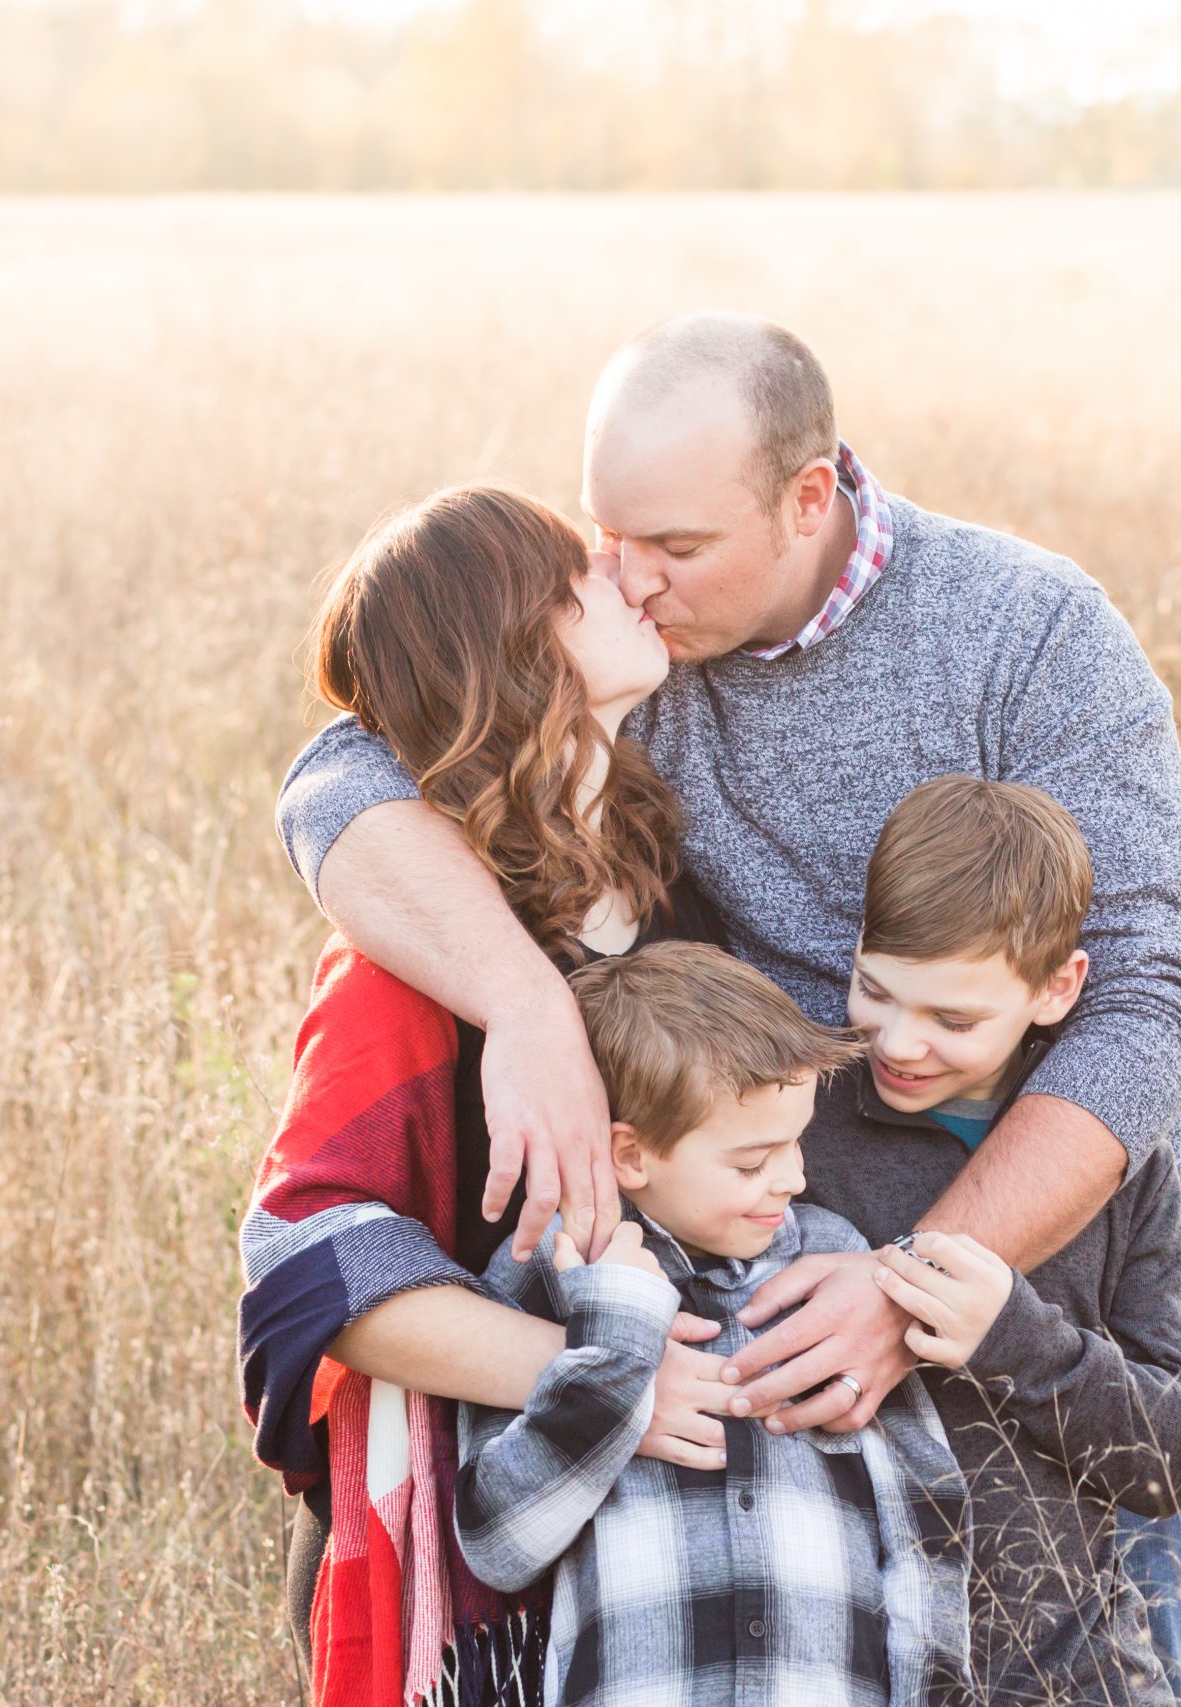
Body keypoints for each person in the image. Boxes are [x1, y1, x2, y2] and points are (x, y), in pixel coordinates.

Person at [274, 311, 1181, 1693]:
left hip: (1021, 1277)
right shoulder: (614, 671)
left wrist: (914, 1286)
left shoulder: (1028, 630)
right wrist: (527, 1003)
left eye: (675, 547)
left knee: (1098, 1650)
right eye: (610, 540)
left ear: (807, 498)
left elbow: (1150, 995)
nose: (631, 580)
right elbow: (341, 774)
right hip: (750, 1290)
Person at [238, 484, 728, 1706]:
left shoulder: (661, 896)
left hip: (649, 1554)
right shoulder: (412, 968)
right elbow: (305, 1272)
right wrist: (604, 1380)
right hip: (464, 1592)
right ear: (513, 650)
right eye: (578, 574)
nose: (621, 571)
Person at [455, 941, 972, 1707]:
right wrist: (619, 1341)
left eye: (796, 1143)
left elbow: (919, 1509)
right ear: (631, 1155)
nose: (792, 1178)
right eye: (752, 1160)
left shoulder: (833, 1261)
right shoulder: (545, 1276)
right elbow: (498, 1544)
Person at [803, 776, 1181, 1706]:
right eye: (877, 990)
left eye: (954, 1018)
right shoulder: (796, 1125)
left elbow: (1174, 1453)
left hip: (1069, 1670)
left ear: (1057, 988)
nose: (900, 1043)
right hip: (853, 1664)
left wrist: (1015, 1338)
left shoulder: (1116, 1158)